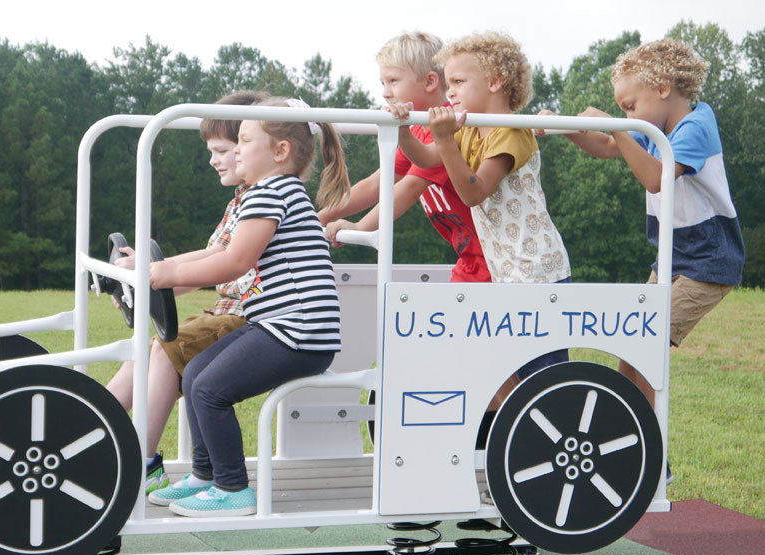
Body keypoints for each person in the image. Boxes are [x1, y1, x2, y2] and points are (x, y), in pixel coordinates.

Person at [145, 97, 351, 517]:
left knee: (208, 388)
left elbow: (235, 261)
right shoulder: (280, 191)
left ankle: (233, 488)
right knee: (196, 371)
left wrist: (166, 275)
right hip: (287, 327)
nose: (236, 150)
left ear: (280, 152)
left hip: (297, 332)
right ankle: (205, 475)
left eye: (243, 140)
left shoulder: (268, 194)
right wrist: (162, 269)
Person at [538, 37, 745, 416]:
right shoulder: (653, 130)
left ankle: (651, 456)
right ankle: (638, 446)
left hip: (708, 263)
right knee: (628, 351)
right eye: (623, 110)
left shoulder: (696, 125)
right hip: (672, 258)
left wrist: (617, 125)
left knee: (643, 344)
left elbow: (656, 178)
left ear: (663, 89)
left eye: (631, 106)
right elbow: (606, 145)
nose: (628, 115)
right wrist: (564, 127)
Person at [387, 31, 571, 400]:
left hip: (537, 273)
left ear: (494, 81)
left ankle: (549, 437)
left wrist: (442, 139)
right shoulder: (468, 129)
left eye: (458, 82)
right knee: (502, 365)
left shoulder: (511, 131)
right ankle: (517, 437)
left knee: (544, 378)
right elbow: (425, 160)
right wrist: (405, 129)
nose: (449, 92)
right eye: (449, 82)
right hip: (508, 273)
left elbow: (472, 192)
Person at [105, 90, 266, 497]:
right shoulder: (240, 200)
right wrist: (154, 270)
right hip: (224, 311)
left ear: (257, 146)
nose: (214, 159)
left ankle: (141, 464)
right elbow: (211, 257)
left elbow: (225, 260)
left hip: (248, 317)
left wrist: (158, 272)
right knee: (146, 348)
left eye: (223, 150)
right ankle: (83, 427)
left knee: (164, 350)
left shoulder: (265, 199)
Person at [319, 31, 490, 284]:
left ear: (430, 82)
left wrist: (361, 227)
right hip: (470, 258)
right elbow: (377, 183)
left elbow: (409, 187)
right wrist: (319, 218)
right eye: (383, 83)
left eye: (393, 81)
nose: (386, 93)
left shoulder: (447, 128)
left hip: (493, 258)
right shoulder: (417, 130)